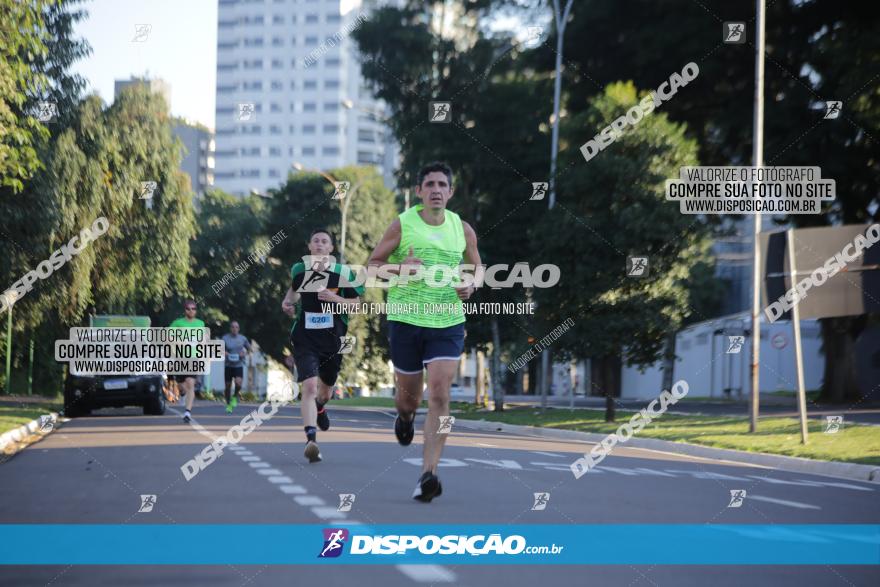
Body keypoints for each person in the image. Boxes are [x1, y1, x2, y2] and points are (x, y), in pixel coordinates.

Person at [367, 161, 481, 502]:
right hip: (405, 320)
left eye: (441, 184)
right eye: (429, 183)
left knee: (441, 395)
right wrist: (401, 268)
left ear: (450, 191)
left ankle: (428, 473)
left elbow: (478, 269)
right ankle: (404, 418)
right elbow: (371, 268)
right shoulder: (402, 224)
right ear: (419, 191)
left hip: (447, 321)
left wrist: (472, 286)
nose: (435, 189)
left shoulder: (463, 229)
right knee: (409, 401)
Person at [281, 228, 363, 463]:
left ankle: (320, 408)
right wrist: (287, 304)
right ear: (309, 247)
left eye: (324, 241)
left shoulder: (342, 273)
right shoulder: (299, 270)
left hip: (333, 340)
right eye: (315, 240)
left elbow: (356, 305)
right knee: (308, 386)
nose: (319, 244)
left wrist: (335, 298)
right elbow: (293, 292)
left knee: (324, 392)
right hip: (305, 338)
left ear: (330, 248)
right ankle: (311, 440)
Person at [169, 300, 206, 423]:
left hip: (194, 357)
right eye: (188, 308)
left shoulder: (200, 323)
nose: (191, 311)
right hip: (180, 357)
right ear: (185, 310)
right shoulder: (177, 323)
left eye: (193, 308)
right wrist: (179, 342)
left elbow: (203, 340)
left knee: (190, 382)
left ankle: (187, 412)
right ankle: (182, 392)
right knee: (181, 386)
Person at [222, 321, 252, 413]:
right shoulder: (225, 338)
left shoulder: (243, 339)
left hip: (239, 364)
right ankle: (228, 403)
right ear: (230, 328)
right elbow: (219, 349)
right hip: (228, 365)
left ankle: (235, 397)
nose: (234, 329)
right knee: (228, 386)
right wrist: (224, 352)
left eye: (236, 327)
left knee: (238, 383)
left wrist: (245, 353)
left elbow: (249, 349)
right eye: (233, 327)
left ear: (238, 329)